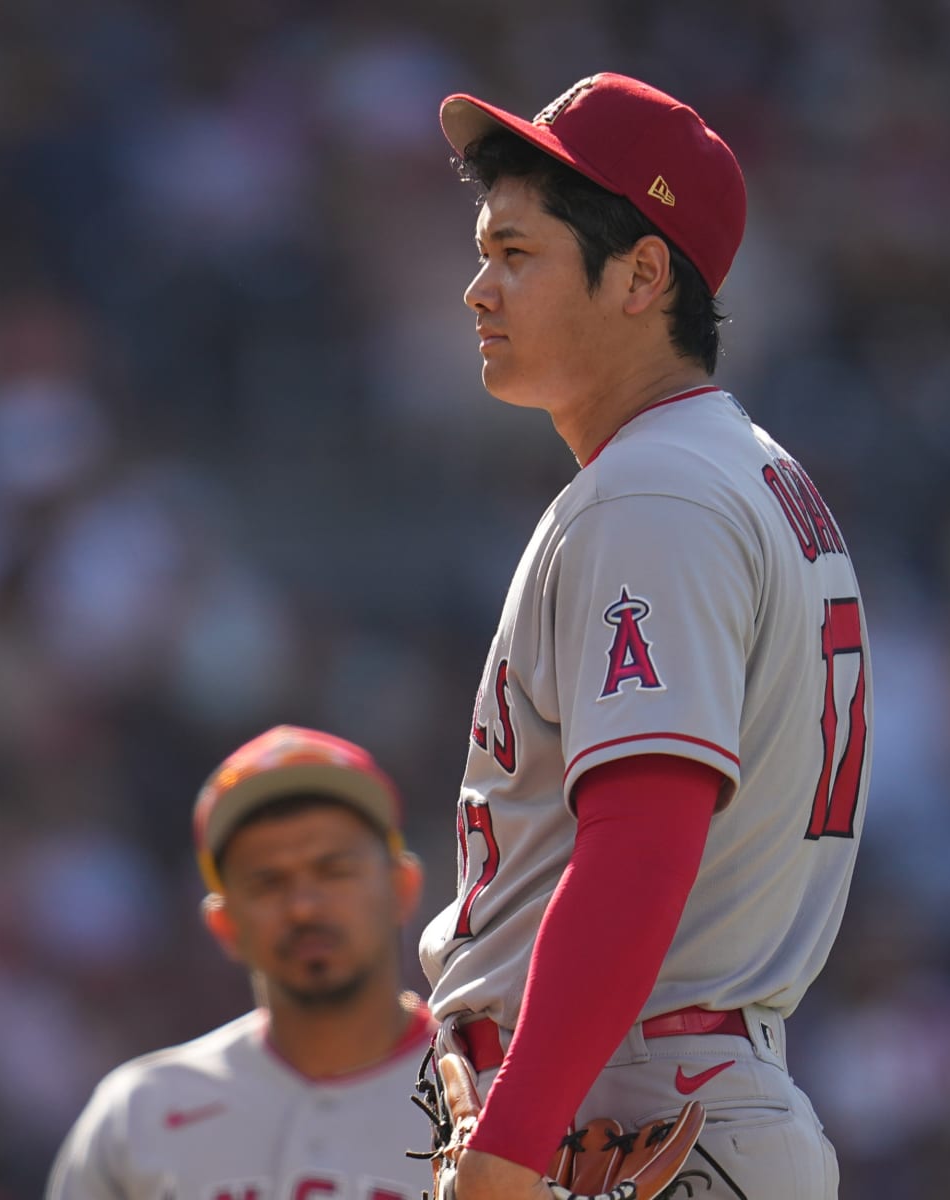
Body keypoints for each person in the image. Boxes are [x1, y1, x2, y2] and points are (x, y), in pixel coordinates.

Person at [418, 73, 873, 1200]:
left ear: (641, 273)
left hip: (630, 1119)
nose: (478, 288)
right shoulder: (731, 470)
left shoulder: (656, 492)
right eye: (483, 251)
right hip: (672, 1095)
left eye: (516, 254)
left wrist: (511, 1149)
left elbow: (641, 840)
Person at [47, 725, 435, 1200]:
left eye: (334, 871)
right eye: (267, 882)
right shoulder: (139, 1115)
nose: (304, 906)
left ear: (403, 887)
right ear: (223, 924)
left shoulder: (492, 1095)